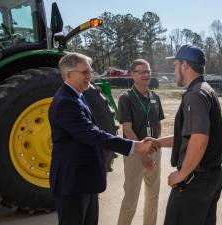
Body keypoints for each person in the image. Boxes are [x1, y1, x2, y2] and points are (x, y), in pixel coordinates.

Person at [48, 52, 158, 225]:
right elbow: (92, 134)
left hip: (85, 180)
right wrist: (135, 146)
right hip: (73, 182)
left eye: (89, 71)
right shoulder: (65, 102)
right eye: (84, 72)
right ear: (69, 75)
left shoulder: (78, 96)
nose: (89, 76)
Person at [150, 44, 222, 225]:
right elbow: (190, 136)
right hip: (210, 177)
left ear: (184, 65)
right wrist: (158, 142)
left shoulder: (195, 94)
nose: (174, 70)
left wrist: (182, 174)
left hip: (195, 181)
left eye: (175, 65)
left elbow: (199, 139)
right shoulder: (206, 89)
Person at [117, 59, 165, 225]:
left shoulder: (155, 97)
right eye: (141, 72)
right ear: (133, 75)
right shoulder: (126, 98)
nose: (146, 75)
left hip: (154, 152)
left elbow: (158, 124)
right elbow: (127, 129)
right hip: (135, 154)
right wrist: (143, 154)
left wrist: (155, 148)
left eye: (148, 71)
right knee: (131, 200)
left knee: (153, 197)